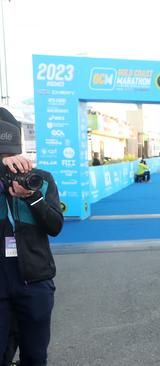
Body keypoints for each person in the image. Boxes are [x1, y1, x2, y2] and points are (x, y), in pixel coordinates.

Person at [0, 107, 64, 366]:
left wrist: (32, 196)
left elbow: (55, 226)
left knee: (35, 356)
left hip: (35, 282)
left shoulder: (40, 179)